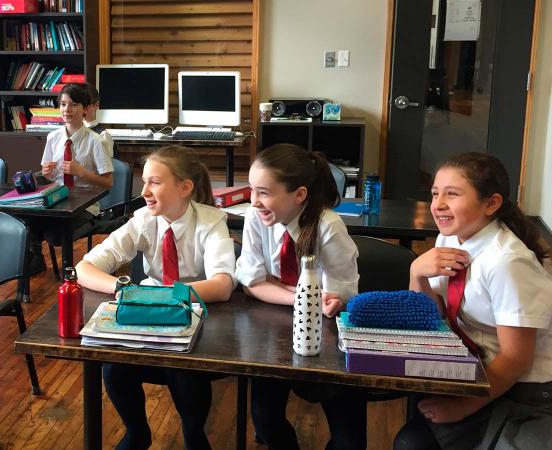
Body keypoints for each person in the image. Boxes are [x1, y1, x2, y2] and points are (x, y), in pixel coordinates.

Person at [75, 145, 236, 450]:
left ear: (185, 188)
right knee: (115, 367)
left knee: (184, 368)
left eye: (155, 182)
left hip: (195, 316)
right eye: (144, 180)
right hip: (148, 315)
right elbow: (85, 267)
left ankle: (194, 435)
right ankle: (137, 432)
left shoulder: (211, 221)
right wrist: (124, 290)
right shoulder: (143, 220)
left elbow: (223, 285)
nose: (145, 190)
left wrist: (163, 295)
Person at [393, 152, 552, 450]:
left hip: (523, 390)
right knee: (412, 434)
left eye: (452, 194)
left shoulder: (507, 262)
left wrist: (462, 406)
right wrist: (417, 275)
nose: (438, 204)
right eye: (435, 193)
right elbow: (431, 317)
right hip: (479, 369)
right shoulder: (451, 238)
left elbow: (517, 359)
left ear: (491, 203)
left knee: (413, 443)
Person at [235, 143, 366, 450]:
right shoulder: (257, 219)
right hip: (272, 329)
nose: (254, 202)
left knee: (348, 438)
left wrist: (274, 287)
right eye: (252, 190)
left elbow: (338, 296)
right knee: (265, 420)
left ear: (299, 195)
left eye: (264, 192)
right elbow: (251, 282)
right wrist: (301, 298)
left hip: (327, 336)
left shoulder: (328, 226)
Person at [30, 83, 113, 271]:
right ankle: (35, 260)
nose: (67, 109)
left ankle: (70, 273)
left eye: (73, 104)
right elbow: (47, 174)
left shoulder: (95, 141)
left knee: (57, 233)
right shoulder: (53, 137)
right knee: (28, 221)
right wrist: (46, 173)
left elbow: (108, 182)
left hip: (85, 205)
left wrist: (82, 172)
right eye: (63, 104)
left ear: (85, 109)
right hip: (58, 199)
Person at [83, 82, 116, 157]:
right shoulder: (70, 132)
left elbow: (106, 168)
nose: (81, 109)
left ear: (96, 105)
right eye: (76, 105)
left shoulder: (102, 136)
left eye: (85, 105)